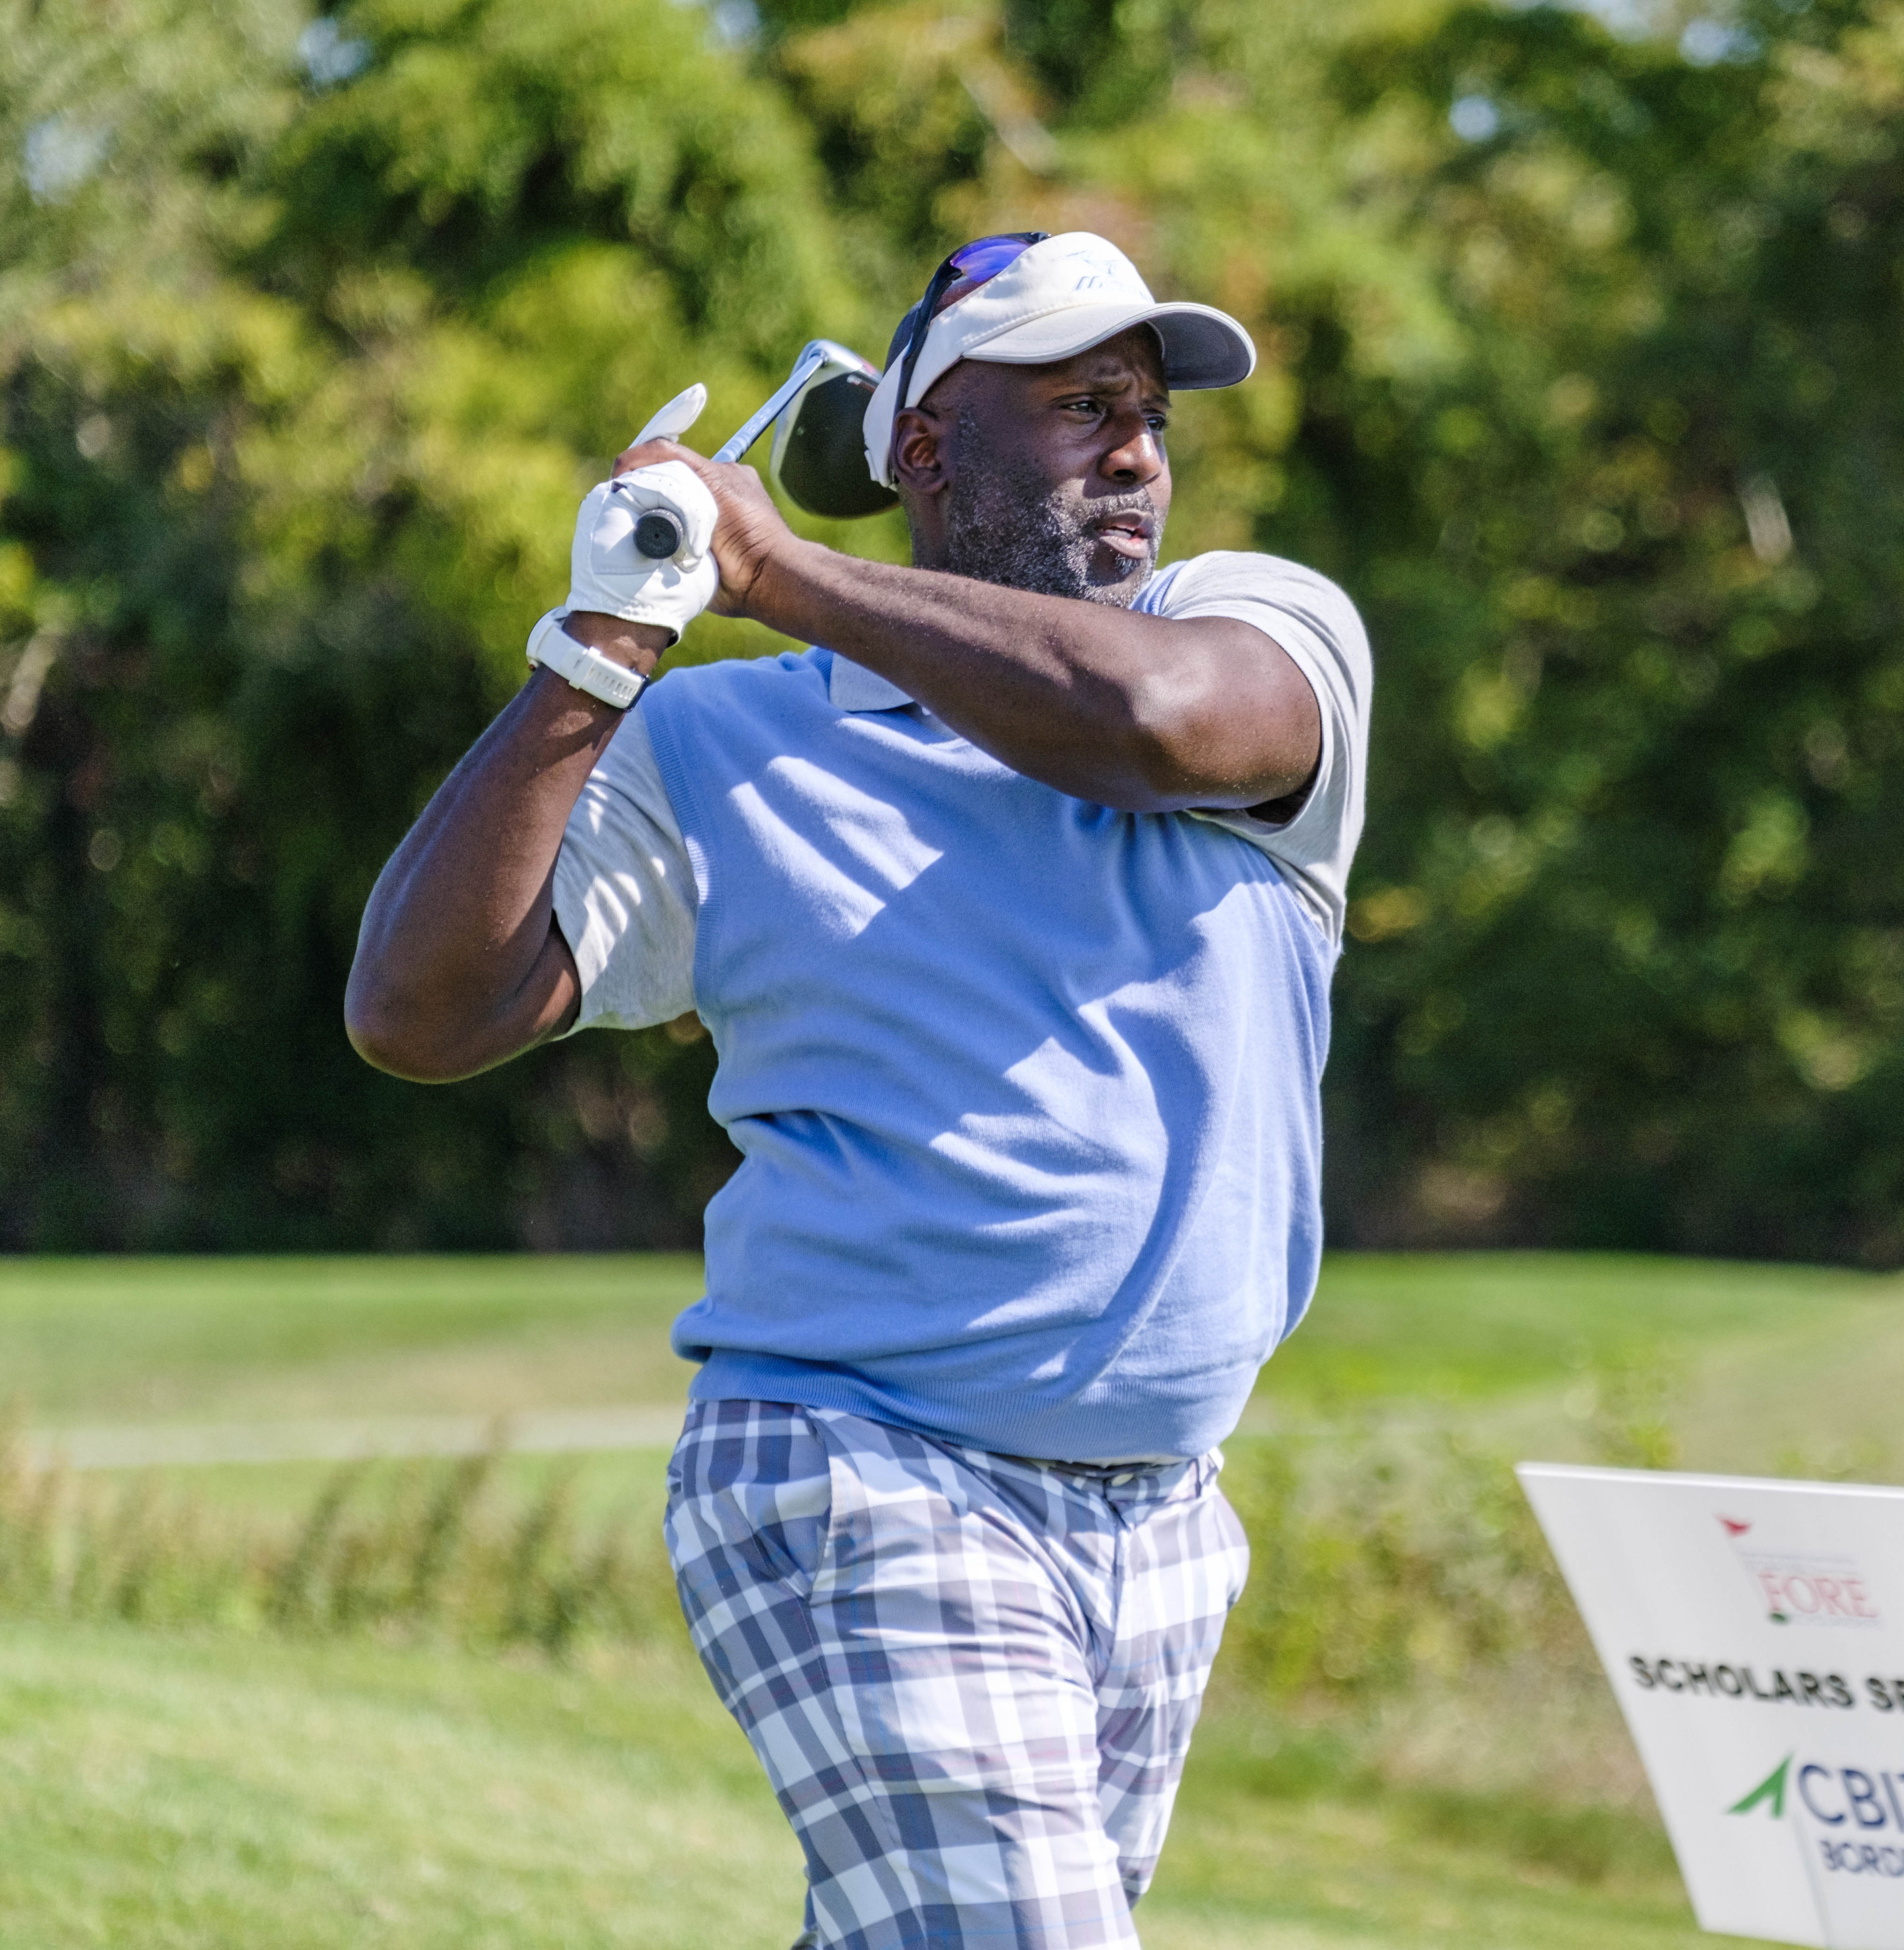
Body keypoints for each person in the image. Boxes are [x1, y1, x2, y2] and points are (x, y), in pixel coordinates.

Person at [343, 231, 1370, 1949]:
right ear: (923, 446)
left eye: (1149, 414)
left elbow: (1164, 728)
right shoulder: (728, 750)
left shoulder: (1258, 633)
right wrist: (600, 645)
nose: (1137, 452)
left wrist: (778, 567)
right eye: (1079, 407)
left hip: (1165, 1524)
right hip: (859, 1476)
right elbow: (422, 1010)